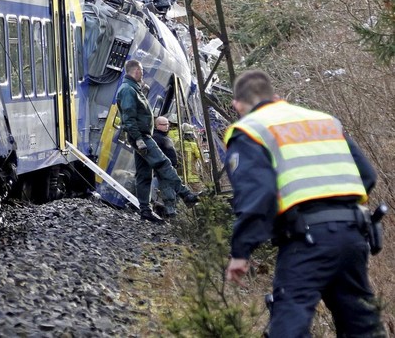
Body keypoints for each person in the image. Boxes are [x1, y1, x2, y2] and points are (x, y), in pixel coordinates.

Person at [223, 69, 384, 337]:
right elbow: (366, 175)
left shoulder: (250, 130)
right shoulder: (324, 121)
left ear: (237, 105)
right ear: (276, 96)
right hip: (354, 236)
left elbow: (257, 196)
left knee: (291, 319)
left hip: (306, 240)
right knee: (362, 323)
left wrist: (241, 252)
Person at [116, 60, 200, 223]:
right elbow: (128, 117)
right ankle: (186, 194)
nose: (143, 73)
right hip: (142, 136)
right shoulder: (128, 90)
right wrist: (139, 138)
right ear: (135, 71)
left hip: (140, 136)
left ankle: (145, 211)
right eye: (141, 70)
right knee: (163, 163)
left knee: (144, 174)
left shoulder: (133, 89)